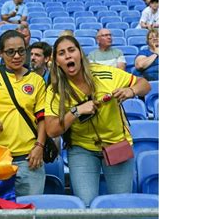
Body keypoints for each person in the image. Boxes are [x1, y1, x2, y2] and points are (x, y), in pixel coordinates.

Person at [44, 35, 151, 207]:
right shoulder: (54, 90)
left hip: (116, 144)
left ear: (81, 54)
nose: (68, 56)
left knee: (121, 204)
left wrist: (131, 90)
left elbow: (144, 84)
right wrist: (76, 111)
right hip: (82, 149)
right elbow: (51, 130)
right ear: (56, 61)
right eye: (62, 53)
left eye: (72, 50)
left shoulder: (105, 73)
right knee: (86, 206)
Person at [0, 30, 46, 197]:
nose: (17, 56)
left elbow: (42, 118)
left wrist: (39, 146)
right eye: (10, 52)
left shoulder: (37, 81)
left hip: (29, 158)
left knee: (30, 213)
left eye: (21, 51)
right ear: (0, 53)